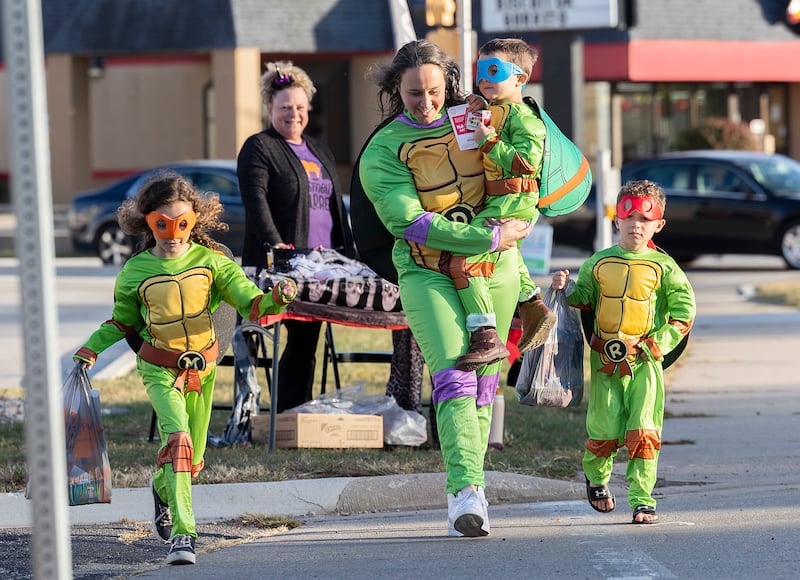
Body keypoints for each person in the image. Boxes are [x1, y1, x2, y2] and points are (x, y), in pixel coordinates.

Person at [73, 174, 297, 565]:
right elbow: (123, 321)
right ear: (147, 221)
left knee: (191, 464)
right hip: (159, 370)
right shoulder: (135, 271)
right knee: (178, 442)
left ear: (195, 220)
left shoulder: (211, 262)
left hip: (203, 370)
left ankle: (162, 486)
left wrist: (276, 298)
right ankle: (183, 535)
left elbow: (252, 303)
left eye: (182, 224)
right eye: (163, 224)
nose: (173, 234)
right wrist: (91, 349)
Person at [359, 39, 531, 537]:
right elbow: (408, 222)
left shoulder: (480, 119)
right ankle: (465, 491)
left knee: (484, 383)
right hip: (426, 268)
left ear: (448, 85)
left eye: (435, 91)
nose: (427, 102)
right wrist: (490, 233)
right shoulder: (384, 148)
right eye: (414, 93)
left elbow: (527, 168)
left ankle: (471, 482)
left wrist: (521, 214)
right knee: (456, 371)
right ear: (397, 89)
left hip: (493, 267)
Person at [550, 179, 696, 524]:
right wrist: (565, 288)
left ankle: (643, 499)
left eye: (645, 219)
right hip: (604, 362)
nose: (636, 225)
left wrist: (656, 344)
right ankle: (597, 478)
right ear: (616, 219)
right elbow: (584, 298)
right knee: (604, 426)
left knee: (644, 429)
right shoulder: (598, 263)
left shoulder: (666, 268)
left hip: (644, 362)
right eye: (628, 216)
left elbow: (683, 313)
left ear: (658, 224)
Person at [237, 61, 355, 413]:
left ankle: (294, 411)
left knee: (306, 339)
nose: (294, 114)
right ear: (269, 109)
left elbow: (335, 206)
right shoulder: (259, 147)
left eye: (300, 107)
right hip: (276, 264)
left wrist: (349, 253)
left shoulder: (320, 149)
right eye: (285, 107)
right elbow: (256, 202)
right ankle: (265, 412)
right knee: (271, 337)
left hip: (322, 265)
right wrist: (277, 246)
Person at [453, 37, 557, 372]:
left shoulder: (525, 118)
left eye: (493, 70)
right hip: (500, 198)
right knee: (507, 252)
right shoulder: (497, 111)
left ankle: (485, 334)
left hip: (514, 198)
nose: (483, 77)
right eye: (480, 69)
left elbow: (527, 162)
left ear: (520, 78)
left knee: (466, 254)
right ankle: (533, 306)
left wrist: (490, 141)